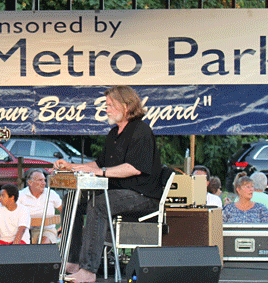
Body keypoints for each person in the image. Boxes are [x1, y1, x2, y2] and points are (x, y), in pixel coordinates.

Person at [54, 85, 163, 283]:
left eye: (110, 105)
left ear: (127, 106)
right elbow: (99, 164)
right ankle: (72, 260)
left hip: (142, 195)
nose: (106, 109)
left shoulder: (141, 131)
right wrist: (72, 166)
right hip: (118, 192)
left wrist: (99, 172)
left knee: (99, 204)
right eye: (106, 105)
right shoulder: (114, 133)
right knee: (73, 198)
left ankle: (88, 271)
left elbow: (134, 168)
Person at [16, 168, 62, 244]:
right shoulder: (21, 195)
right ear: (30, 182)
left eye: (44, 180)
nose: (44, 183)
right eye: (40, 180)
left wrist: (63, 226)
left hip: (47, 230)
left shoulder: (51, 194)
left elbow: (64, 210)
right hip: (26, 230)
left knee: (44, 243)